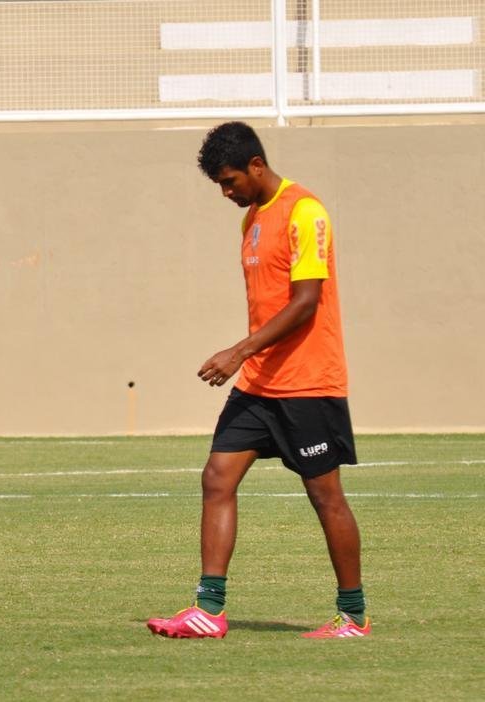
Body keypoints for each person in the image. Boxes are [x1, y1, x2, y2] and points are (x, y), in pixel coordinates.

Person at [147, 122, 369, 639]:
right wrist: (248, 361)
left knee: (326, 497)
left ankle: (353, 616)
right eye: (219, 186)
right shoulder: (250, 221)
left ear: (255, 165)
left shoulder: (305, 211)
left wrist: (236, 351)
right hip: (259, 384)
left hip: (307, 383)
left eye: (230, 182)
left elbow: (306, 301)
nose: (227, 194)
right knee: (217, 478)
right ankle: (208, 610)